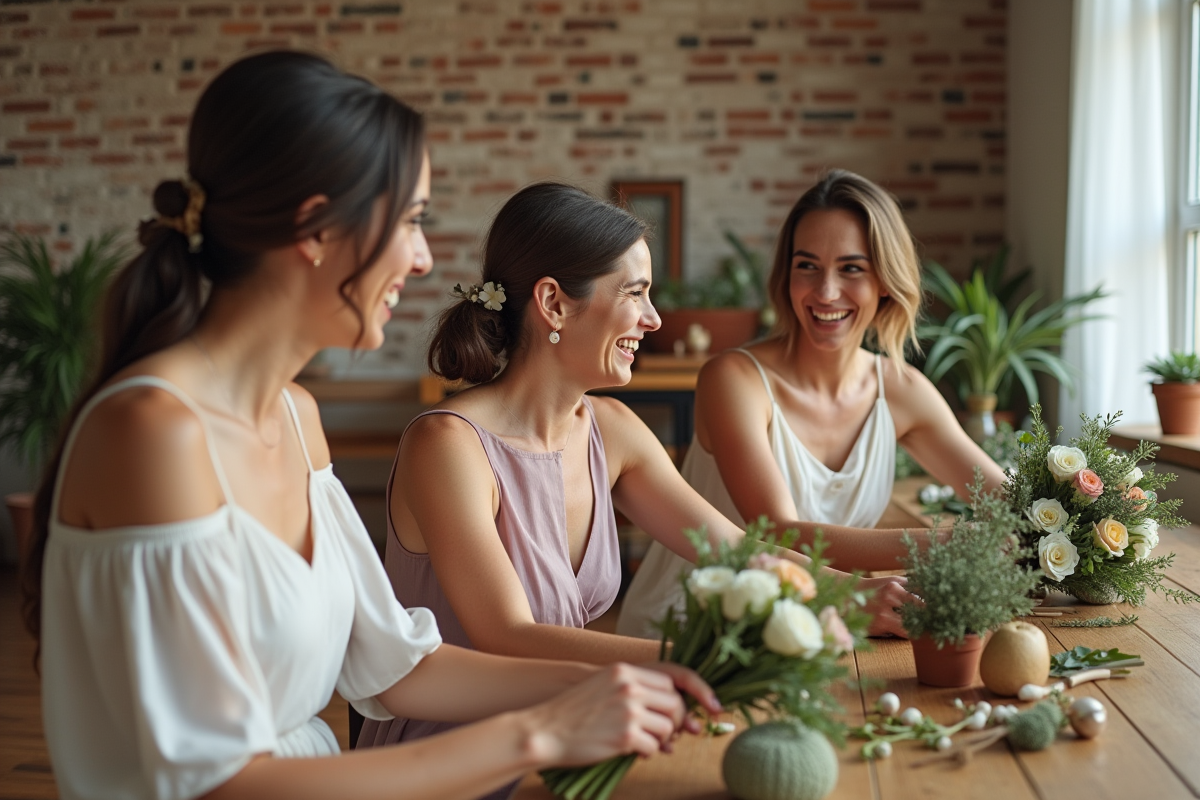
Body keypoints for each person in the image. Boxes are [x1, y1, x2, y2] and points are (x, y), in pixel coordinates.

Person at [20, 51, 717, 800]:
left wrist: (643, 675)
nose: (422, 260)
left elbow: (402, 665)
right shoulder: (151, 432)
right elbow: (216, 783)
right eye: (411, 220)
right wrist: (542, 730)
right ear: (315, 228)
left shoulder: (297, 416)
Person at [357, 182, 914, 754]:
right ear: (553, 303)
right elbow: (508, 637)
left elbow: (738, 551)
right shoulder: (447, 445)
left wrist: (851, 595)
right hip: (450, 756)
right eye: (635, 293)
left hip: (572, 731)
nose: (652, 320)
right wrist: (700, 666)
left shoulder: (611, 430)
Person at [616, 169, 1008, 639]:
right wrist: (940, 544)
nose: (825, 292)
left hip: (826, 615)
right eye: (807, 266)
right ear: (786, 275)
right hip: (700, 624)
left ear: (886, 279)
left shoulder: (902, 390)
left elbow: (1005, 502)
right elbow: (777, 530)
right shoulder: (734, 379)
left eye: (851, 268)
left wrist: (1082, 512)